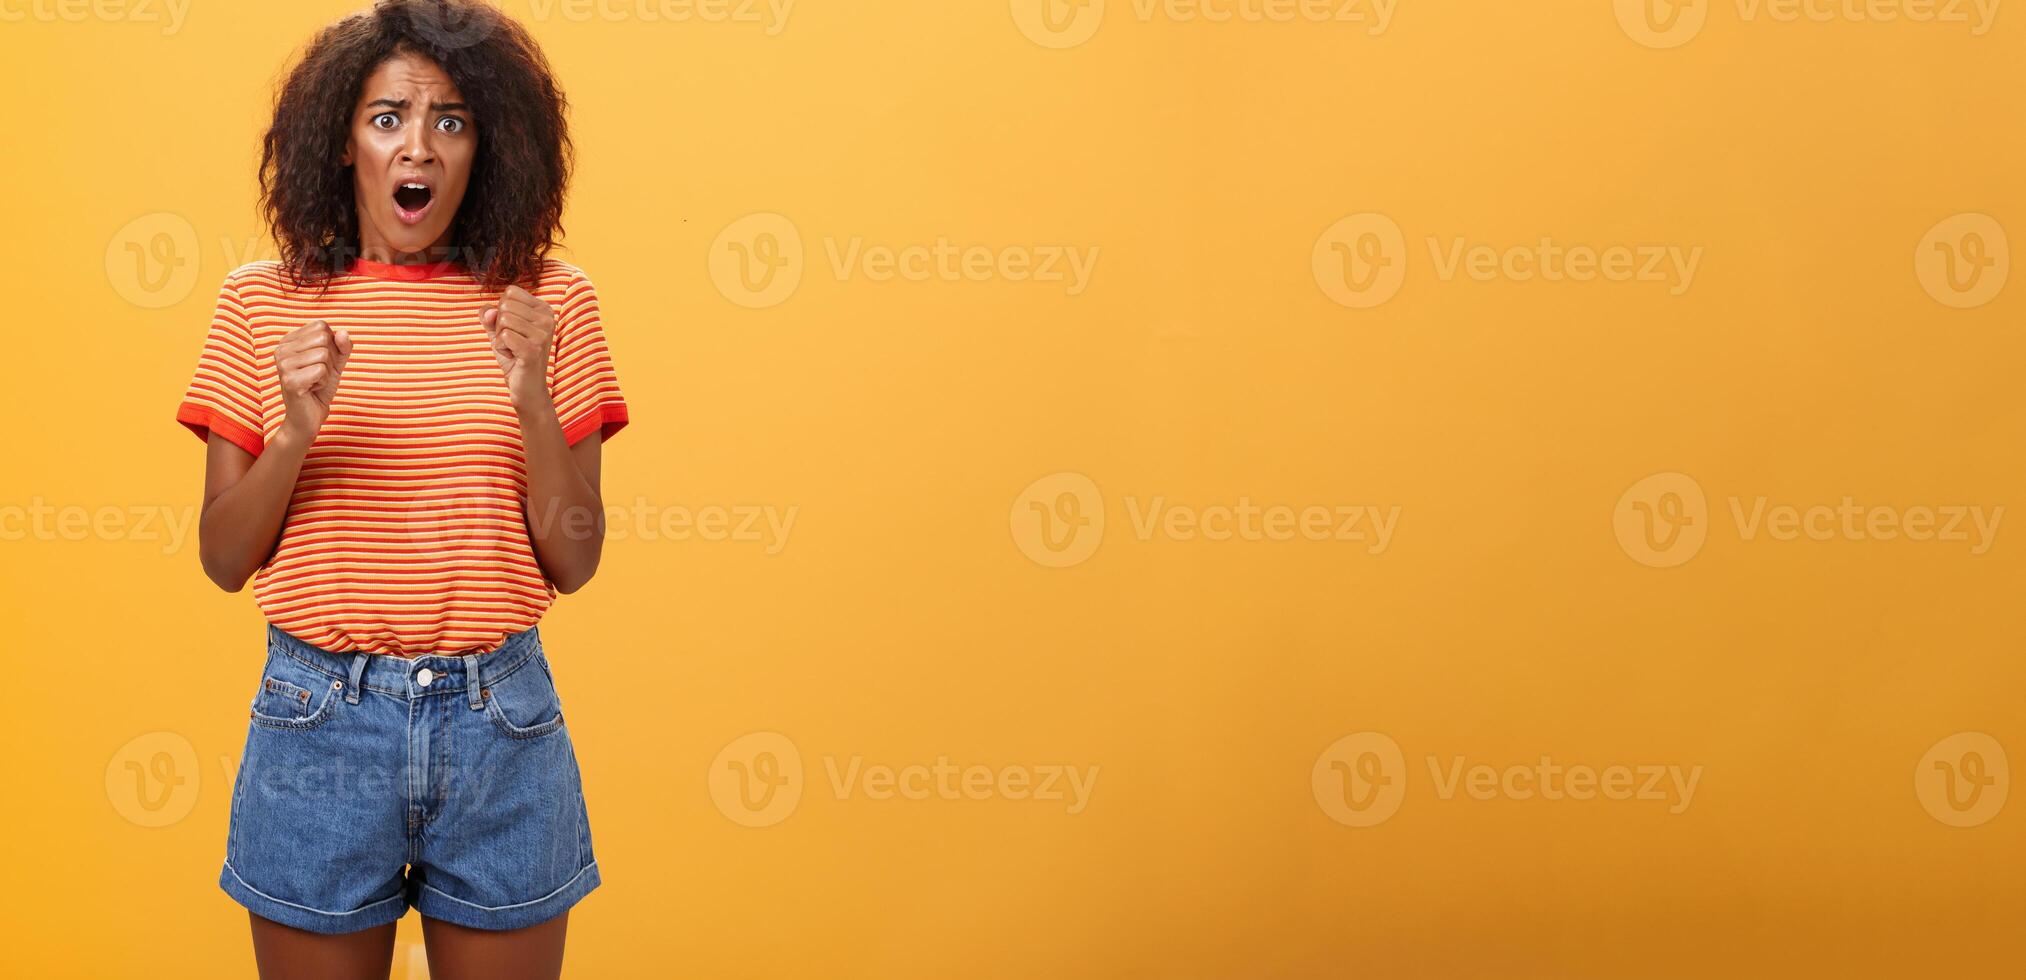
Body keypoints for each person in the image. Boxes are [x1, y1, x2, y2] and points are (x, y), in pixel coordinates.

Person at [173, 2, 627, 975]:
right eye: (387, 118)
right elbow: (220, 557)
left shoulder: (552, 302)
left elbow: (575, 556)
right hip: (319, 719)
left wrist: (534, 400)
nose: (417, 145)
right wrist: (297, 429)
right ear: (341, 142)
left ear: (486, 144)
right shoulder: (262, 301)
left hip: (498, 720)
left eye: (450, 120)